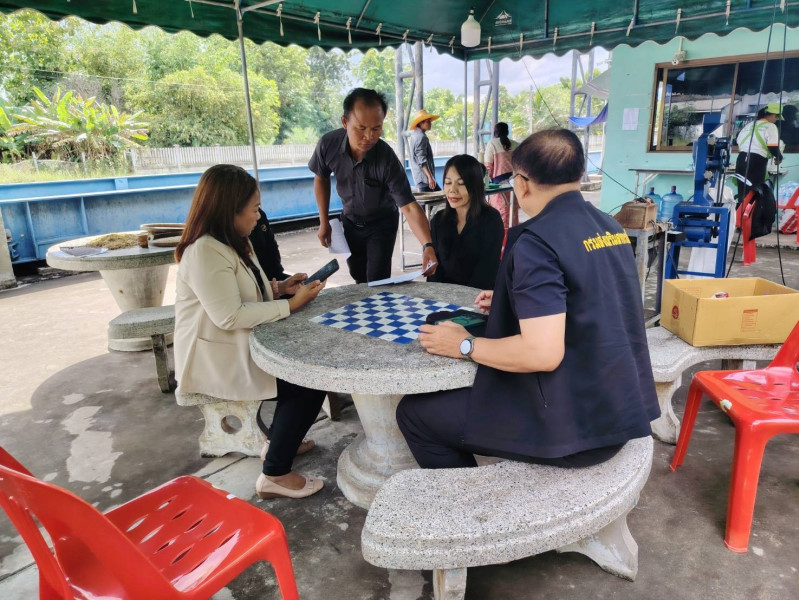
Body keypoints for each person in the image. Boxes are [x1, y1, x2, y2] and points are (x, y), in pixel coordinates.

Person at [397, 129, 659, 470]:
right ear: (579, 175)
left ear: (521, 184)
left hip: (577, 429)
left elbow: (541, 353)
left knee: (415, 414)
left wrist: (463, 345)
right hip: (620, 407)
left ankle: (472, 502)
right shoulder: (609, 226)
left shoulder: (538, 243)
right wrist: (515, 296)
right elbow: (590, 295)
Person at [174, 164, 327, 499]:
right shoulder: (204, 251)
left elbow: (243, 291)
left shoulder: (232, 241)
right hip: (216, 358)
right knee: (307, 381)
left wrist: (281, 288)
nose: (259, 217)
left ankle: (279, 441)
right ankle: (275, 474)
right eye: (254, 209)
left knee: (305, 373)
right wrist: (291, 305)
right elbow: (229, 315)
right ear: (230, 210)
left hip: (242, 344)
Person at [310, 88, 438, 283]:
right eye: (361, 128)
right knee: (358, 276)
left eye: (376, 129)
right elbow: (321, 178)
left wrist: (427, 245)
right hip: (351, 222)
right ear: (345, 122)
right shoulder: (329, 145)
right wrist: (323, 221)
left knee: (377, 280)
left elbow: (409, 206)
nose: (369, 136)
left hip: (381, 224)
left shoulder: (386, 158)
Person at [427, 154, 504, 290]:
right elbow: (434, 273)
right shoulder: (438, 220)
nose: (452, 190)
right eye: (448, 183)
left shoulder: (491, 220)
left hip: (478, 297)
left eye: (461, 183)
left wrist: (462, 299)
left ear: (475, 185)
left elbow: (487, 272)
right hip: (443, 296)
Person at [735, 102, 784, 204]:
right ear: (773, 115)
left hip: (741, 159)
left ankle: (739, 213)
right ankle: (754, 214)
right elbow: (772, 146)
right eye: (777, 117)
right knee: (756, 193)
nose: (776, 120)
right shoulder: (770, 127)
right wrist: (779, 157)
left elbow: (738, 141)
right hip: (756, 161)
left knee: (743, 194)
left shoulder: (749, 126)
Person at [484, 122, 520, 228]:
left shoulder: (492, 144)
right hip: (513, 183)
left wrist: (486, 182)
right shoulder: (516, 145)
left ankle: (501, 235)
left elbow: (488, 167)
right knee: (513, 211)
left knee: (500, 211)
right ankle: (512, 234)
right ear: (507, 131)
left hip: (498, 185)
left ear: (495, 132)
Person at [408, 108, 440, 192]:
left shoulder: (415, 135)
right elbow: (421, 160)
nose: (430, 124)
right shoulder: (421, 137)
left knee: (440, 195)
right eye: (428, 122)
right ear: (420, 123)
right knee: (437, 197)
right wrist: (430, 177)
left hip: (421, 178)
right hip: (424, 179)